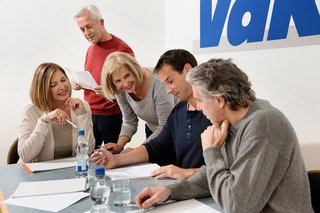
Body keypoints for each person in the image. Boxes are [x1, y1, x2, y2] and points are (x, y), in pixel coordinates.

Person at [134, 58, 314, 213]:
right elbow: (213, 175)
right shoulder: (230, 121)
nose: (199, 107)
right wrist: (169, 191)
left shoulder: (263, 124)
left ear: (219, 100)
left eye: (200, 100)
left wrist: (212, 152)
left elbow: (238, 206)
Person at [91, 49, 211, 180]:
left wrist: (182, 174)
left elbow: (219, 172)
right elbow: (154, 145)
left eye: (170, 81)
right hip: (187, 182)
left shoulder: (213, 113)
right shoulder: (178, 112)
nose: (168, 90)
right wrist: (117, 156)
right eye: (118, 81)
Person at [73, 5, 134, 149]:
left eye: (89, 27)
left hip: (111, 116)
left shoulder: (122, 49)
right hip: (89, 115)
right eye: (82, 30)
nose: (87, 33)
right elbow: (92, 77)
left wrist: (111, 93)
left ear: (101, 22)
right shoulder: (90, 49)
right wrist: (78, 83)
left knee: (112, 160)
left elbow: (133, 87)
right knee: (87, 157)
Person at [18, 63, 95, 163]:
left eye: (63, 80)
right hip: (36, 173)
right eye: (53, 85)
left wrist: (82, 115)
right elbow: (25, 156)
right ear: (43, 90)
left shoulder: (81, 106)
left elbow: (88, 150)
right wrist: (44, 121)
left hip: (69, 171)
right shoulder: (31, 111)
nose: (62, 86)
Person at [100, 52, 175, 153]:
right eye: (118, 81)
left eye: (127, 76)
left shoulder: (158, 83)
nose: (125, 84)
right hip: (153, 131)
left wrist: (137, 152)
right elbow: (129, 122)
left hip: (175, 132)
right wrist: (119, 145)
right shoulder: (120, 90)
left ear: (134, 69)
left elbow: (165, 126)